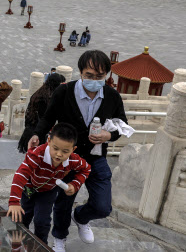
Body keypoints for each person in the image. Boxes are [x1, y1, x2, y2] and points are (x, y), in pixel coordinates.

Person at [27, 50, 128, 251]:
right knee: (63, 201)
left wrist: (108, 136)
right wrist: (37, 134)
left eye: (99, 77)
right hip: (66, 158)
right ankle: (60, 237)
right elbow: (48, 117)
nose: (94, 80)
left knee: (103, 206)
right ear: (81, 72)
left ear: (107, 75)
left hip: (96, 157)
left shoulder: (112, 96)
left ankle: (81, 217)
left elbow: (121, 124)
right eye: (89, 76)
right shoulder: (65, 92)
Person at [7, 123, 91, 245]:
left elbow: (86, 169)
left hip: (48, 191)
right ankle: (17, 244)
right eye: (55, 148)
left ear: (73, 150)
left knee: (42, 221)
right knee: (23, 215)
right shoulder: (36, 154)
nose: (59, 154)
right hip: (30, 187)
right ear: (49, 141)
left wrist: (75, 184)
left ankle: (41, 246)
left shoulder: (73, 160)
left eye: (65, 151)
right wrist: (14, 202)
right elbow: (20, 175)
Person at [18, 73, 65, 153]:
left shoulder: (40, 93)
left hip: (31, 130)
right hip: (38, 134)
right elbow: (45, 118)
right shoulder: (46, 99)